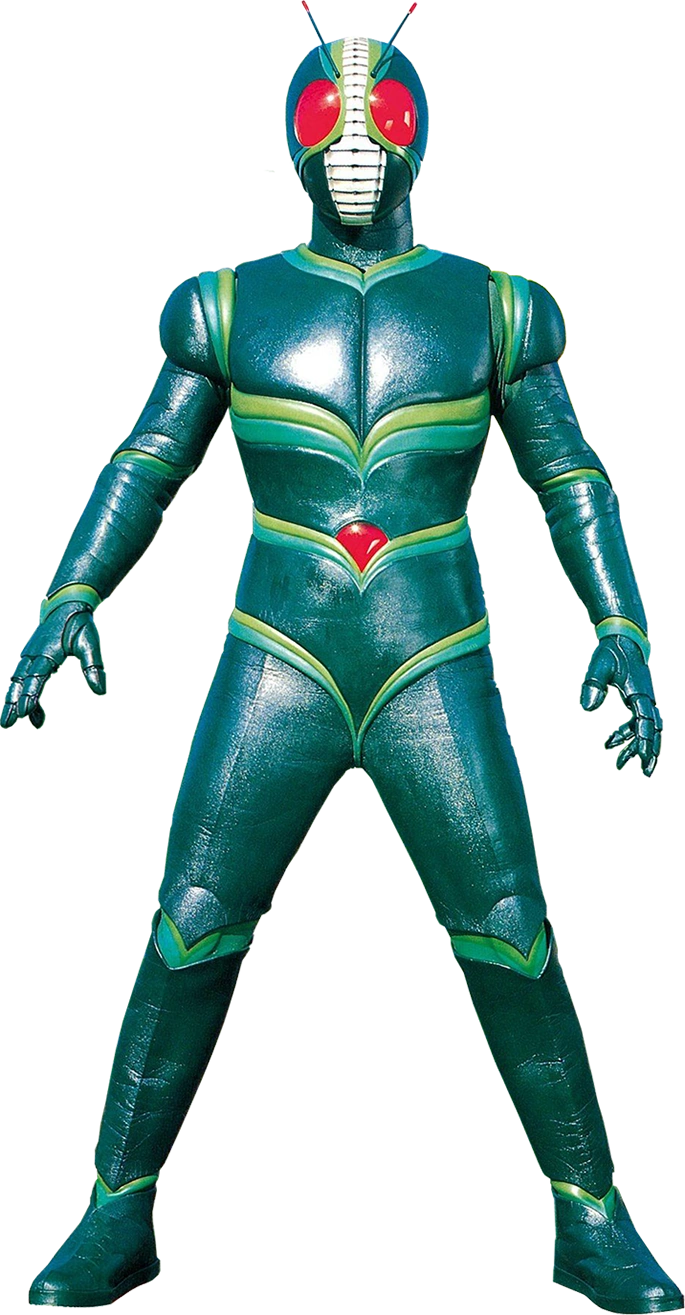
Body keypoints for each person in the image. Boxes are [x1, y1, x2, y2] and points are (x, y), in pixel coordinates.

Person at [6, 20, 679, 1315]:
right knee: (190, 922)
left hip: (430, 649)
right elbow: (147, 456)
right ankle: (115, 1209)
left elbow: (570, 471)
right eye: (334, 118)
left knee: (512, 933)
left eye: (381, 120)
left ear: (417, 129)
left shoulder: (490, 305)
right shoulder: (230, 303)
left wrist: (620, 620)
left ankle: (593, 1218)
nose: (358, 147)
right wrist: (71, 593)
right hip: (285, 647)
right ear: (297, 133)